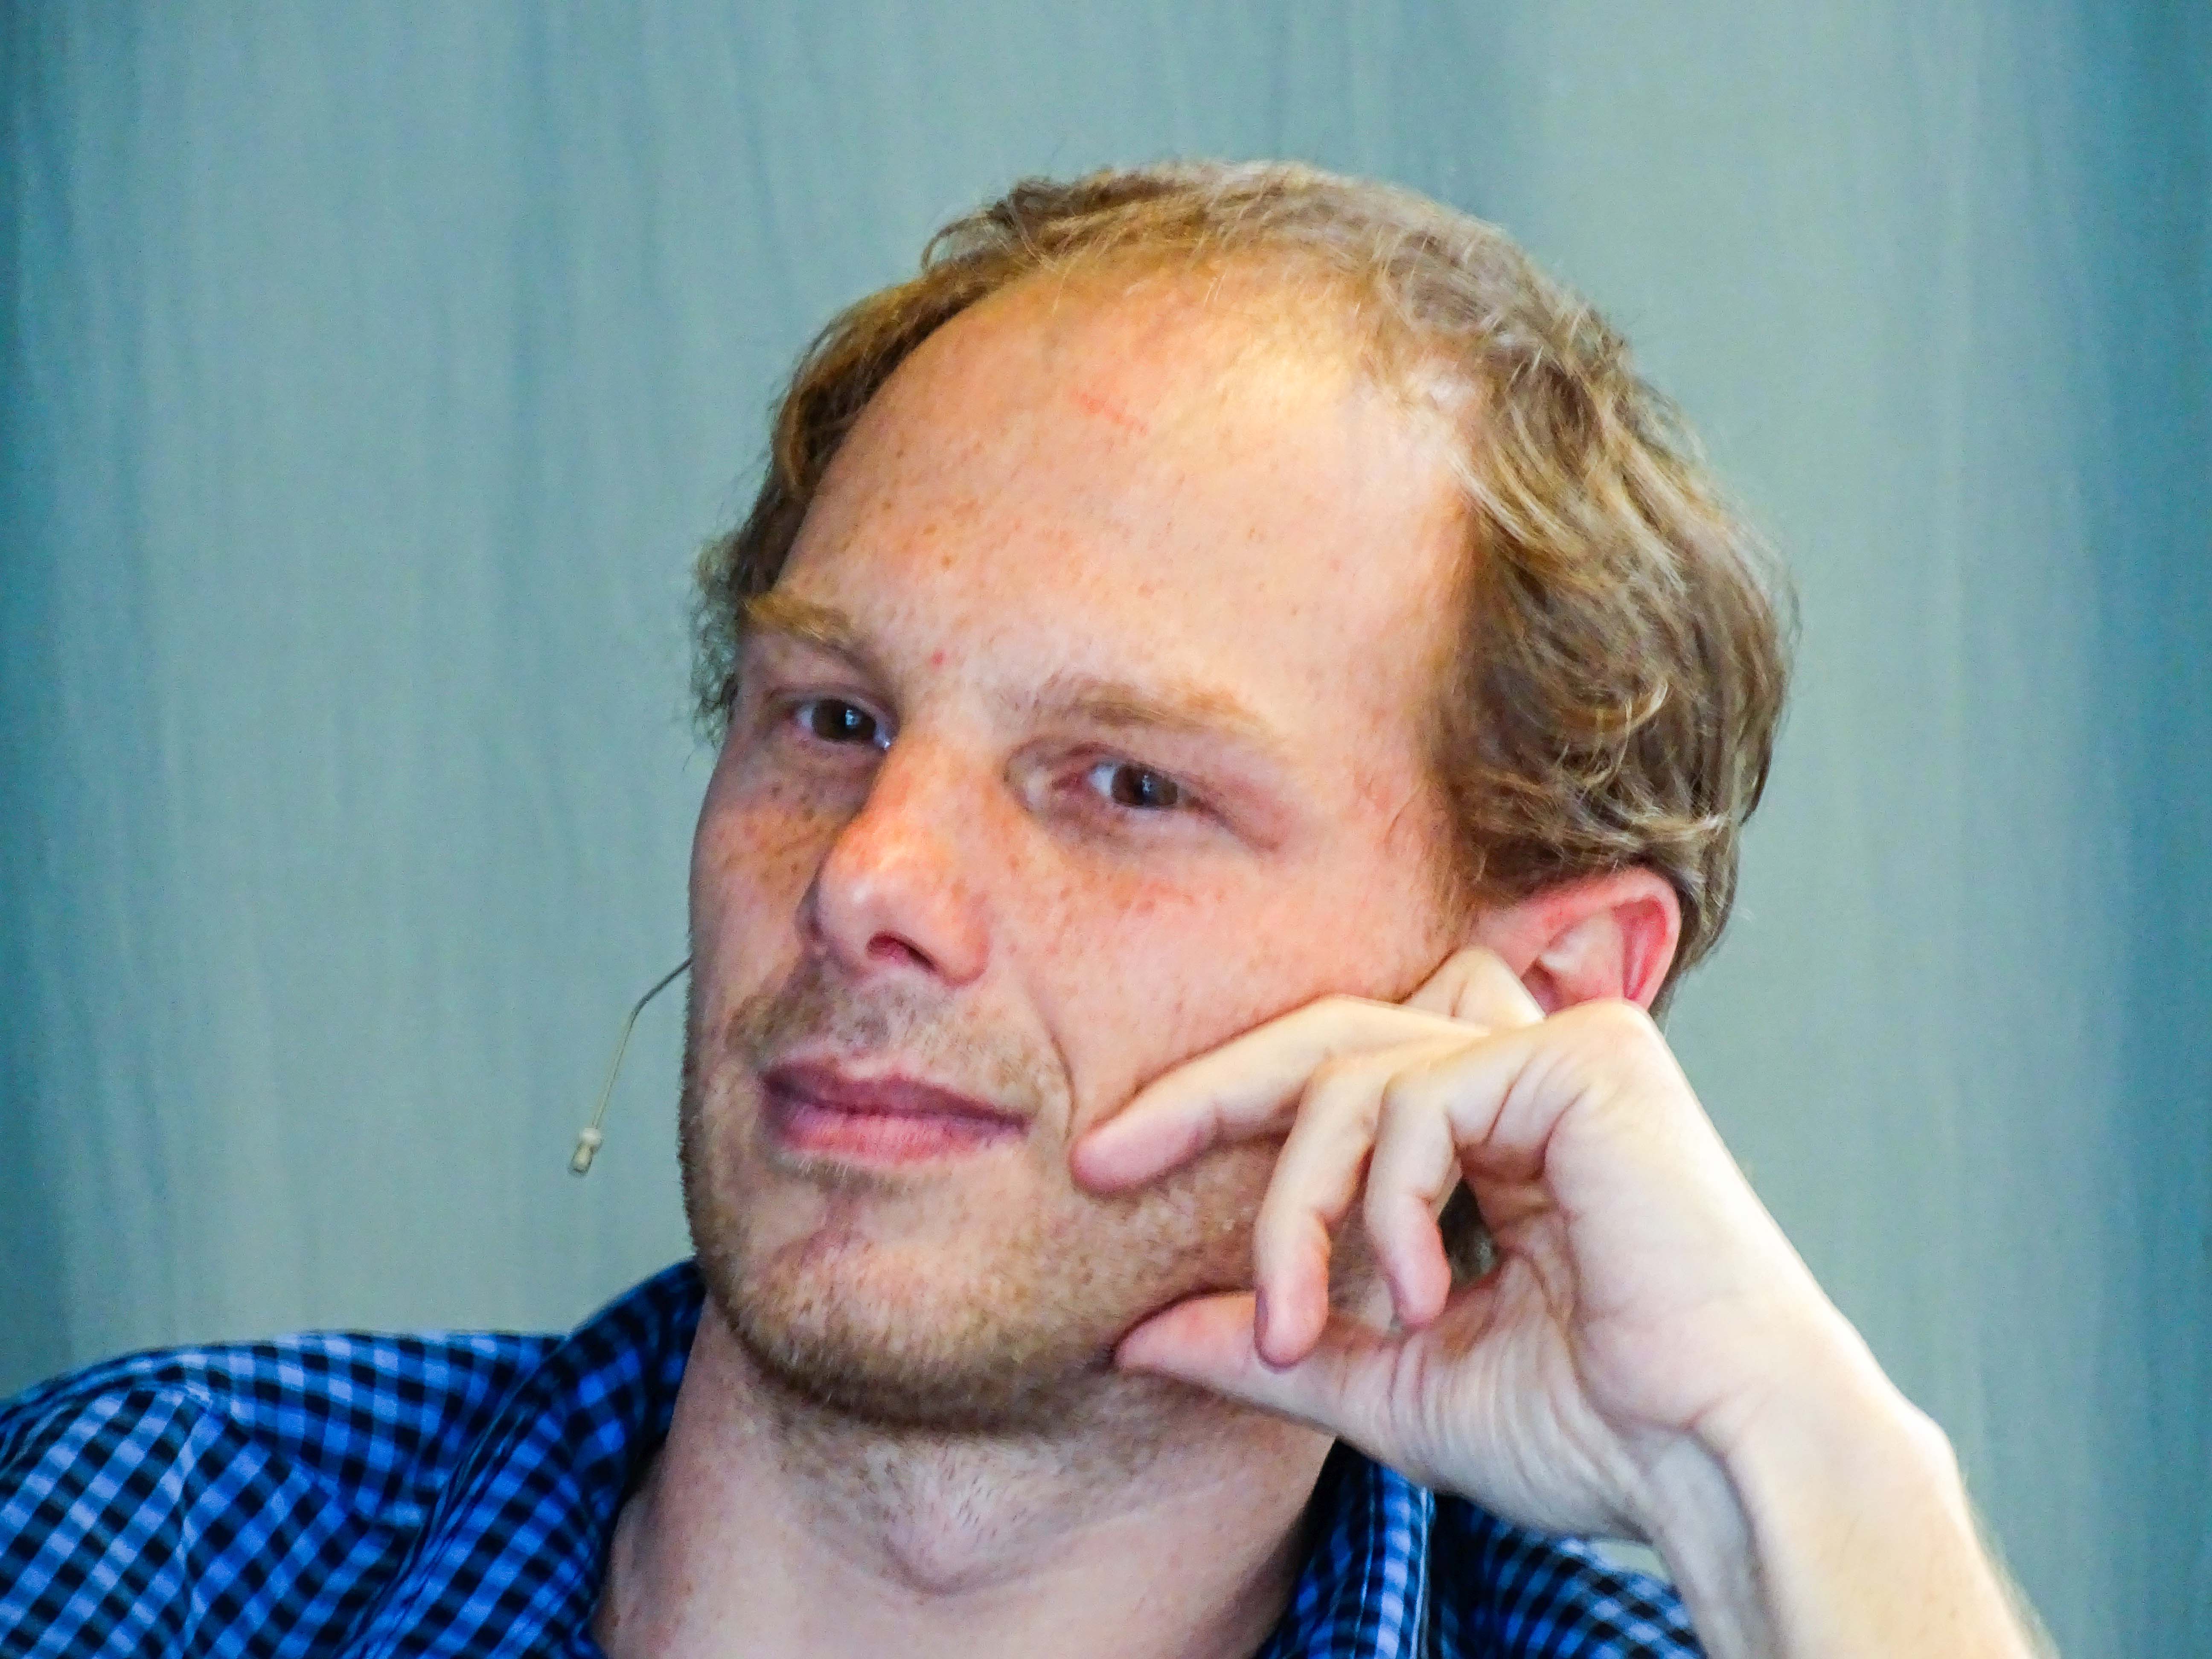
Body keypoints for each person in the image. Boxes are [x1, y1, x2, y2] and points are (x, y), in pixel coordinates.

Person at [0, 161, 2048, 1659]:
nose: (869, 879)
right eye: (831, 718)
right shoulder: (134, 1559)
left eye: (1128, 785)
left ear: (1540, 987)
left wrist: (1789, 1470)